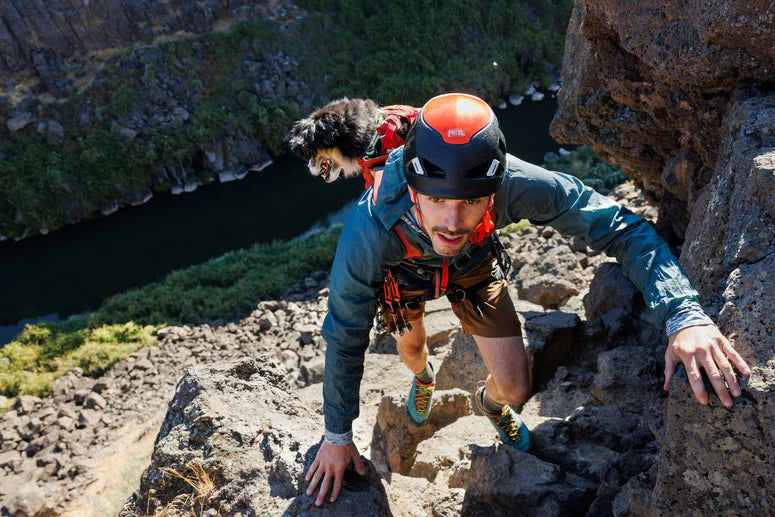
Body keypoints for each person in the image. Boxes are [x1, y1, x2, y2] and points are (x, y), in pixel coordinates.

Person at [304, 93, 751, 506]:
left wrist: (684, 314)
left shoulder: (514, 183)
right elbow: (345, 334)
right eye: (437, 198)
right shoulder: (371, 227)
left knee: (517, 387)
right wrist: (337, 436)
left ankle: (490, 403)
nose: (452, 222)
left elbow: (619, 227)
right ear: (412, 185)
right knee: (413, 348)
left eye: (471, 201)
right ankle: (423, 378)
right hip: (402, 276)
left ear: (494, 185)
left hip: (474, 266)